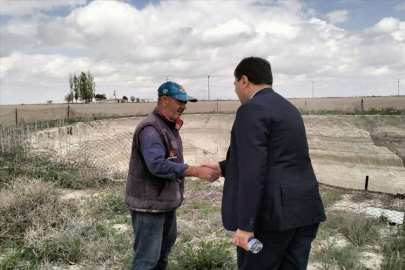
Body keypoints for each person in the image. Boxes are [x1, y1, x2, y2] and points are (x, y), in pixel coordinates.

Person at [202, 57, 326, 270]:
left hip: (272, 218)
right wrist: (223, 167)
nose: (236, 91)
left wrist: (246, 225)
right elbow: (278, 156)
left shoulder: (252, 108)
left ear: (244, 80)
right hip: (305, 210)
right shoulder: (288, 108)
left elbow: (253, 170)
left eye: (234, 85)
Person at [125, 81, 220, 270]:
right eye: (180, 101)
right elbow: (157, 165)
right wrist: (196, 171)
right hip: (149, 207)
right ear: (165, 100)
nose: (184, 106)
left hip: (163, 203)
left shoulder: (168, 126)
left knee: (162, 255)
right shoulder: (152, 128)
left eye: (186, 103)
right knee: (147, 260)